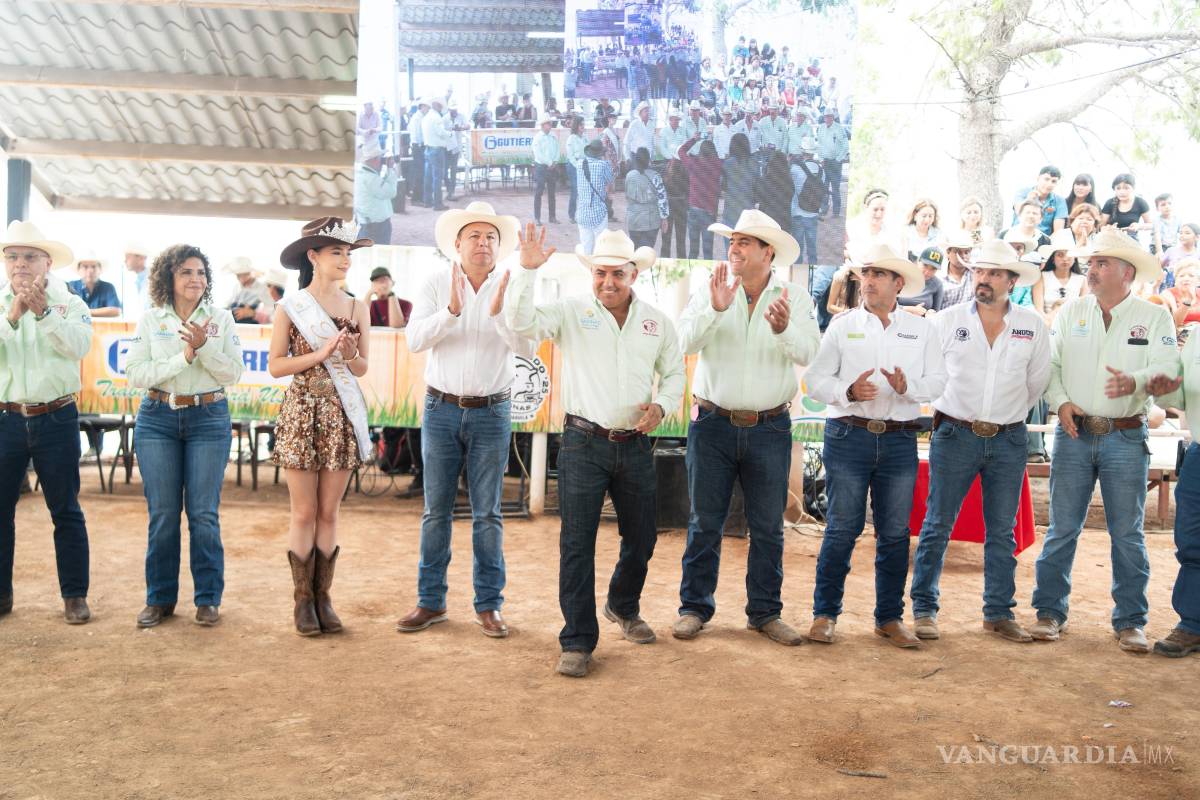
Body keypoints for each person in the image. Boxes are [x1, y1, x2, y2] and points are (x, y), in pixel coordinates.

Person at [506, 228, 685, 678]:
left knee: (642, 537)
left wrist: (662, 405)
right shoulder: (571, 312)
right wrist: (527, 271)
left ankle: (622, 606)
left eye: (617, 274)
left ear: (634, 274)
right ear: (592, 274)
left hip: (636, 446)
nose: (608, 281)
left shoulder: (657, 322)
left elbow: (675, 374)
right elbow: (521, 323)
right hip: (583, 444)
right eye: (601, 272)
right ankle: (578, 640)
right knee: (576, 543)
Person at [673, 211, 818, 645]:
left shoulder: (796, 296)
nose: (733, 249)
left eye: (744, 242)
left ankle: (765, 613)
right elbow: (682, 343)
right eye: (732, 241)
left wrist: (783, 329)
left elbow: (810, 349)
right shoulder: (712, 288)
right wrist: (716, 310)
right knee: (704, 522)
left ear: (767, 252)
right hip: (713, 424)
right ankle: (694, 608)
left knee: (769, 525)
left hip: (770, 427)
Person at [1031, 228, 1178, 653]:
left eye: (1101, 264)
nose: (1091, 270)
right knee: (1062, 529)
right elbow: (1050, 367)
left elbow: (1168, 366)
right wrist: (1059, 403)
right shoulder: (1072, 310)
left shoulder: (1153, 317)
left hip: (1126, 436)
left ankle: (1131, 620)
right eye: (1092, 263)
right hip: (1074, 433)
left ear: (1126, 273)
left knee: (1128, 532)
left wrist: (1136, 380)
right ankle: (1049, 613)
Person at [397, 203, 533, 639]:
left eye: (490, 237)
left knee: (487, 513)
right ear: (457, 243)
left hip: (492, 411)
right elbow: (415, 339)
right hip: (440, 410)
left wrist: (498, 312)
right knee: (436, 511)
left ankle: (489, 605)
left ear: (499, 247)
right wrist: (452, 311)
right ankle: (430, 601)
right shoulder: (437, 282)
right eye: (474, 236)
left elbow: (528, 347)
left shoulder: (511, 286)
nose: (483, 243)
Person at [805, 244, 945, 647]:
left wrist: (910, 388)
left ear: (899, 283)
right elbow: (815, 381)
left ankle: (889, 618)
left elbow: (938, 381)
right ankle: (824, 615)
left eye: (878, 274)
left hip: (900, 439)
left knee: (895, 534)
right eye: (865, 273)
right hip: (848, 435)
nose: (867, 281)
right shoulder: (842, 324)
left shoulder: (921, 329)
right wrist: (847, 390)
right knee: (841, 529)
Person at [909, 241, 1049, 643]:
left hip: (1008, 437)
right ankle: (924, 609)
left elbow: (1036, 384)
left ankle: (998, 612)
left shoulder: (1032, 324)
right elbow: (928, 372)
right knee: (937, 523)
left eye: (992, 273)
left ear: (1011, 280)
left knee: (1002, 530)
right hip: (954, 432)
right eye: (979, 272)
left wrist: (1005, 416)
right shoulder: (946, 320)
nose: (983, 279)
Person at [125, 244, 243, 628]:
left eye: (201, 273)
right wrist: (185, 358)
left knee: (203, 514)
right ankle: (159, 599)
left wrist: (204, 347)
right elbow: (137, 374)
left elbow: (232, 374)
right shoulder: (150, 320)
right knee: (162, 514)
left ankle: (208, 599)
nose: (196, 279)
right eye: (186, 272)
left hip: (209, 418)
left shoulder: (221, 320)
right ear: (168, 278)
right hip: (157, 419)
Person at [269, 217, 374, 636]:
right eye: (337, 252)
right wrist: (320, 355)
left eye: (348, 253)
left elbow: (362, 368)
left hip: (340, 414)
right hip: (301, 412)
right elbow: (277, 366)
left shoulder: (357, 307)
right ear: (313, 256)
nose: (345, 260)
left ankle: (324, 596)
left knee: (330, 512)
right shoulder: (289, 308)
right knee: (304, 511)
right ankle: (302, 601)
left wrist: (347, 355)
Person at [0, 221, 93, 625]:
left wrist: (42, 315)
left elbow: (79, 346)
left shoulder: (71, 303)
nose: (20, 264)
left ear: (47, 262)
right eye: (13, 256)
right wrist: (13, 316)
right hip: (5, 418)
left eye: (29, 256)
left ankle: (75, 596)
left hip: (55, 416)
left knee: (65, 509)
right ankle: (1, 595)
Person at [1145, 342, 1200, 657]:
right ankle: (1192, 624)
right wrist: (1163, 389)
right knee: (1191, 539)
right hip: (1199, 450)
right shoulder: (1197, 335)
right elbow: (1178, 398)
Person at [677, 133, 722, 260]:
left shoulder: (693, 163)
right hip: (709, 211)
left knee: (693, 249)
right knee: (708, 251)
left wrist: (694, 139)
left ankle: (691, 275)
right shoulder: (717, 164)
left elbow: (680, 151)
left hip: (694, 209)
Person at [1036, 229, 1088, 325]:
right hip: (1046, 323)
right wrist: (1048, 321)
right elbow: (1039, 310)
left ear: (1074, 258)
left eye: (1069, 255)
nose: (1065, 259)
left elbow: (1084, 310)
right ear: (1053, 258)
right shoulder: (1042, 277)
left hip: (1074, 324)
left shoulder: (1082, 280)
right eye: (1060, 255)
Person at [353, 138, 399, 246]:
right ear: (374, 160)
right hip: (376, 227)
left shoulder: (362, 173)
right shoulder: (370, 178)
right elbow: (391, 192)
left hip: (367, 224)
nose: (381, 161)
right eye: (379, 158)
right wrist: (390, 170)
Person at [718, 133, 757, 257]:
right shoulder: (755, 164)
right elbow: (757, 188)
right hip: (748, 215)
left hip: (730, 213)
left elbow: (722, 186)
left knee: (729, 253)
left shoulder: (727, 164)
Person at [624, 147, 669, 251]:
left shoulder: (629, 176)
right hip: (651, 220)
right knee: (647, 252)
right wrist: (664, 218)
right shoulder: (655, 176)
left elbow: (627, 195)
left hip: (634, 220)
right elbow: (662, 199)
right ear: (649, 160)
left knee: (635, 251)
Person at [575, 139, 614, 255]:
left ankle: (586, 270)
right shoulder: (603, 165)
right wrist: (606, 157)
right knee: (601, 248)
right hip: (598, 212)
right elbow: (610, 181)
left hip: (582, 212)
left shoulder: (579, 164)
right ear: (601, 153)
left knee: (586, 248)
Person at [789, 139, 824, 263]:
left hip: (797, 212)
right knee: (812, 248)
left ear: (802, 152)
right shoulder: (821, 170)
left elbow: (789, 187)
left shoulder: (794, 169)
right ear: (813, 153)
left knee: (797, 248)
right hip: (813, 213)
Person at [1011, 165, 1066, 236]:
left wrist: (1047, 243)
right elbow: (1018, 211)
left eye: (1053, 181)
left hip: (1042, 240)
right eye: (1046, 179)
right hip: (1018, 235)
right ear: (1038, 178)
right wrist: (1029, 200)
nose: (1049, 184)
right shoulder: (1023, 192)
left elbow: (1058, 231)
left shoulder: (1059, 201)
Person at [67, 251, 121, 317]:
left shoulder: (108, 287)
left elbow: (115, 311)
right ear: (78, 270)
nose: (90, 270)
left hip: (102, 327)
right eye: (85, 267)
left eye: (94, 267)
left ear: (100, 269)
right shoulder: (71, 286)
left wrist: (85, 311)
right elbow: (65, 310)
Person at [815, 108, 848, 216]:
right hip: (825, 162)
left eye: (829, 116)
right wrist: (820, 159)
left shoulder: (839, 128)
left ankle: (836, 211)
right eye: (826, 116)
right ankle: (823, 208)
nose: (827, 118)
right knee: (823, 187)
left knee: (835, 188)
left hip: (835, 162)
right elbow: (819, 145)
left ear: (833, 117)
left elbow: (845, 146)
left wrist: (838, 159)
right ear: (824, 117)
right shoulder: (821, 128)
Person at [1100, 173, 1152, 238]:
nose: (1122, 192)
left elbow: (1151, 225)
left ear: (1133, 188)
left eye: (1126, 188)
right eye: (1118, 188)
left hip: (1131, 239)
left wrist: (1139, 226)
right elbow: (1101, 225)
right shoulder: (1110, 203)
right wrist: (1108, 228)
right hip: (1111, 237)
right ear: (1114, 189)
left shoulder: (1140, 202)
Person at [422, 98, 451, 211]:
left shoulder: (426, 117)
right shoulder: (436, 118)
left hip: (428, 148)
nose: (441, 108)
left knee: (428, 176)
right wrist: (449, 134)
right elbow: (440, 132)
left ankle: (427, 200)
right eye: (440, 106)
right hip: (437, 149)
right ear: (437, 106)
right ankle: (438, 203)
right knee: (437, 177)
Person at [897, 247, 945, 316]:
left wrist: (931, 313)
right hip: (897, 321)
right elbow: (887, 307)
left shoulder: (937, 284)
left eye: (933, 269)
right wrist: (910, 309)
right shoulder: (903, 276)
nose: (927, 272)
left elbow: (936, 312)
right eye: (925, 265)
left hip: (921, 324)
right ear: (918, 261)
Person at [223, 257, 272, 324]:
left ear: (250, 273)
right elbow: (228, 304)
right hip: (234, 324)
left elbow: (272, 311)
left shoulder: (262, 288)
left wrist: (253, 313)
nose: (242, 279)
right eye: (238, 275)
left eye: (245, 275)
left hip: (251, 326)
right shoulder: (237, 287)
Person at [755, 150, 794, 232]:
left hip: (767, 220)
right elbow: (790, 197)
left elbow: (758, 198)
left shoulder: (764, 180)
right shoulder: (789, 181)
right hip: (784, 220)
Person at [531, 116, 560, 226]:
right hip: (541, 167)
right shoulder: (538, 138)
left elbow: (557, 149)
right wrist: (549, 163)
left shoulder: (553, 136)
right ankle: (537, 218)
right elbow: (538, 154)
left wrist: (555, 161)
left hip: (552, 167)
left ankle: (552, 217)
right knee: (539, 192)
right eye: (548, 123)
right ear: (543, 125)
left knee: (552, 193)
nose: (550, 125)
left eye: (550, 123)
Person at [938, 230, 976, 309]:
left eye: (966, 252)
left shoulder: (977, 274)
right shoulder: (938, 277)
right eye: (958, 252)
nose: (963, 256)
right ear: (948, 253)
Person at [1161, 259, 1200, 330]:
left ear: (1198, 281)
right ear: (1175, 280)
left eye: (1191, 276)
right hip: (1180, 335)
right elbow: (1177, 322)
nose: (1186, 278)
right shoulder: (1168, 294)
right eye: (1181, 276)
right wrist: (1188, 301)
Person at [444, 101, 469, 201]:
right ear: (449, 110)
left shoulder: (461, 116)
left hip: (456, 146)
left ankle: (451, 192)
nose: (454, 111)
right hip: (446, 146)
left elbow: (468, 125)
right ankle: (448, 188)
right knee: (444, 170)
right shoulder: (444, 118)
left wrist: (461, 128)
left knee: (453, 170)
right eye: (452, 110)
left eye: (455, 109)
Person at [406, 98, 428, 205]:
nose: (428, 108)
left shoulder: (419, 117)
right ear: (422, 107)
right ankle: (415, 198)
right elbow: (416, 134)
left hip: (419, 146)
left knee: (420, 173)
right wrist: (420, 144)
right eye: (426, 106)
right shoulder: (417, 118)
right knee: (419, 173)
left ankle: (419, 197)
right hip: (418, 147)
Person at [121, 241, 151, 319]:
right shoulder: (138, 280)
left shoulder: (154, 279)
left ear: (141, 258)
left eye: (128, 257)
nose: (125, 260)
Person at [624, 101, 655, 166]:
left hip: (647, 158)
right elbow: (627, 142)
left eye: (648, 111)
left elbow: (652, 143)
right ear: (640, 113)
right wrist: (627, 158)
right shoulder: (634, 124)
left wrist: (652, 157)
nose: (648, 113)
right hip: (635, 157)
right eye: (646, 111)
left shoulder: (651, 125)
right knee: (636, 175)